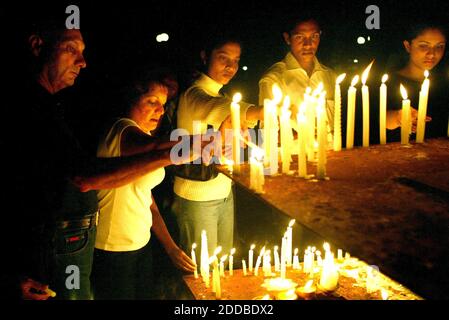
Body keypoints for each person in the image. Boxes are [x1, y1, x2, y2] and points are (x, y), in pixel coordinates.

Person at [5, 17, 196, 300]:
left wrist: (168, 246)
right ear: (37, 45)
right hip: (57, 248)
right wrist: (179, 149)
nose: (83, 62)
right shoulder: (32, 108)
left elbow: (140, 192)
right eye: (71, 49)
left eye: (163, 105)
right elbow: (85, 176)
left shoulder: (52, 106)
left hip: (69, 243)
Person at [92, 72, 196, 300]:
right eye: (152, 102)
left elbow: (146, 200)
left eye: (163, 104)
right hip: (113, 248)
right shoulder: (120, 130)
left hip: (140, 243)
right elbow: (155, 146)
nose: (160, 111)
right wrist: (206, 141)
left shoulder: (143, 135)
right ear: (131, 99)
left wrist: (170, 247)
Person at [172, 34, 263, 258]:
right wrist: (265, 111)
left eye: (236, 60)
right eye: (224, 58)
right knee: (203, 276)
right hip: (197, 198)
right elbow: (223, 109)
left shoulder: (220, 93)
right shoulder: (194, 94)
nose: (231, 66)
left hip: (223, 191)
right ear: (205, 56)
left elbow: (235, 121)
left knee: (221, 269)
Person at [259, 15, 336, 141]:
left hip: (332, 155)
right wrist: (300, 136)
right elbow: (269, 134)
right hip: (293, 159)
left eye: (314, 36)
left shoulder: (330, 76)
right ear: (287, 38)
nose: (308, 44)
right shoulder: (273, 79)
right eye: (300, 37)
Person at [386, 23, 447, 140]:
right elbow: (378, 119)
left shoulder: (444, 82)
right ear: (408, 46)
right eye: (424, 46)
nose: (432, 54)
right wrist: (398, 117)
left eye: (439, 46)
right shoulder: (388, 82)